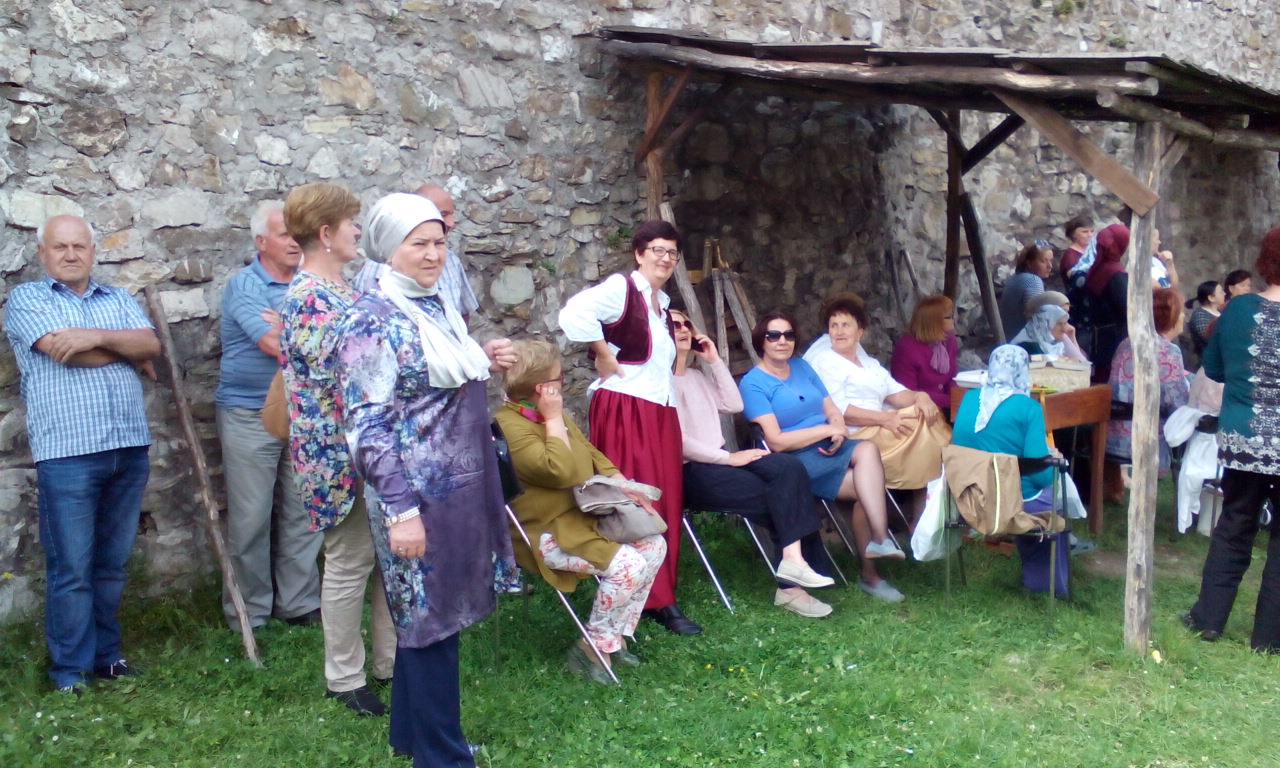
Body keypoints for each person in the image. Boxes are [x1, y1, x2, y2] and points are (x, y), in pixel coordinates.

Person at [335, 193, 518, 767]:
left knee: (431, 620)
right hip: (416, 496)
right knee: (429, 620)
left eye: (439, 242)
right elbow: (367, 427)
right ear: (389, 248)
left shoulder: (431, 305)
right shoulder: (370, 319)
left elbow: (432, 381)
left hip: (458, 491)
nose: (434, 254)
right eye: (420, 243)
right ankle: (443, 756)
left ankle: (413, 736)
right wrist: (402, 510)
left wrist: (482, 358)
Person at [3, 215, 161, 694]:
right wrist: (123, 348)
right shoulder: (28, 299)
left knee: (111, 566)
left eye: (79, 246)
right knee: (72, 570)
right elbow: (64, 351)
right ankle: (70, 673)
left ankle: (106, 658)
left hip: (127, 447)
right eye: (60, 246)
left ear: (93, 251)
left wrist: (93, 336)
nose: (71, 254)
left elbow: (151, 343)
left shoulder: (117, 298)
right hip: (69, 453)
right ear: (43, 253)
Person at [278, 183, 394, 717]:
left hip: (367, 446)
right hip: (338, 458)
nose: (358, 230)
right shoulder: (309, 298)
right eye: (351, 222)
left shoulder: (342, 289)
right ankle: (343, 678)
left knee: (384, 557)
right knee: (349, 562)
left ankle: (391, 663)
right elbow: (346, 374)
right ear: (325, 233)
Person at [495, 339, 666, 682]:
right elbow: (561, 471)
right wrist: (553, 418)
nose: (562, 382)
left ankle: (613, 639)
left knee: (654, 545)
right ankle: (592, 648)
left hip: (579, 519)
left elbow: (587, 451)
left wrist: (623, 483)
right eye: (558, 378)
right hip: (544, 531)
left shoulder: (545, 414)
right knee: (628, 565)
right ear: (542, 388)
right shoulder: (511, 426)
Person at [557, 220, 695, 635]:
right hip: (625, 407)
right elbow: (574, 314)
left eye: (672, 252)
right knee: (633, 498)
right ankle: (636, 591)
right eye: (657, 250)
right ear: (639, 253)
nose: (665, 259)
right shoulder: (622, 289)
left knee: (664, 497)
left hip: (659, 409)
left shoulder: (662, 304)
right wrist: (603, 352)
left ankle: (659, 593)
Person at [669, 309, 836, 619]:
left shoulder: (696, 376)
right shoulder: (660, 384)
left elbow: (734, 405)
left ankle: (794, 561)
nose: (681, 329)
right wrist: (729, 458)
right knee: (781, 498)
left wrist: (714, 361)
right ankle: (791, 587)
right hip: (691, 471)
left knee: (787, 468)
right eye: (672, 324)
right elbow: (679, 442)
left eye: (685, 324)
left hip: (720, 460)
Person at [740, 311, 907, 604]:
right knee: (867, 489)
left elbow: (831, 408)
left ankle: (880, 542)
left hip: (831, 444)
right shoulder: (753, 383)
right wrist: (826, 430)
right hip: (796, 459)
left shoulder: (802, 366)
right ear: (761, 341)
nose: (782, 341)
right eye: (773, 336)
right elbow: (776, 441)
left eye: (789, 335)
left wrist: (839, 429)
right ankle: (872, 571)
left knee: (867, 452)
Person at [216, 200, 322, 630]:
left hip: (304, 410)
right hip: (250, 413)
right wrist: (306, 333)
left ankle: (299, 603)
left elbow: (335, 338)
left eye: (298, 232)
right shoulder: (244, 286)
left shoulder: (312, 282)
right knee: (251, 518)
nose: (295, 241)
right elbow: (272, 345)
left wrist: (288, 326)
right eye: (284, 234)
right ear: (261, 242)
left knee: (303, 512)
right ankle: (250, 611)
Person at [1183, 226, 1280, 652]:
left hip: (1244, 438)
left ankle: (1209, 619)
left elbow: (1216, 369)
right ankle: (1270, 638)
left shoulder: (1238, 310)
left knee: (1235, 524)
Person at [804, 294, 951, 506]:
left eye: (846, 325)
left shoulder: (869, 364)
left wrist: (921, 396)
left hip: (881, 428)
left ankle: (928, 501)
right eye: (834, 326)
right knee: (929, 436)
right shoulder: (825, 362)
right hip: (855, 434)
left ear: (860, 332)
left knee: (924, 416)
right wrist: (884, 419)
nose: (839, 331)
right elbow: (839, 410)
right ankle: (927, 505)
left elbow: (897, 394)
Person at [952, 345, 1067, 596]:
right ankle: (1043, 581)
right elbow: (1041, 475)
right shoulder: (1028, 408)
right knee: (1053, 494)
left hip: (968, 499)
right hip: (1011, 503)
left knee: (1022, 485)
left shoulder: (969, 399)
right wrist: (1053, 459)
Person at [1105, 287, 1191, 502]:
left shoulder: (1127, 343)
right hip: (1145, 437)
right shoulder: (1169, 351)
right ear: (1172, 316)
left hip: (1113, 434)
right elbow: (1178, 402)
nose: (1184, 317)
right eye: (1182, 312)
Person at [351, 183, 479, 321]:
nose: (451, 223)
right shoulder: (381, 266)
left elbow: (463, 312)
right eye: (443, 214)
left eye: (438, 243)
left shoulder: (452, 261)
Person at [890, 294, 958, 415]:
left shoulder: (949, 340)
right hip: (920, 410)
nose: (954, 320)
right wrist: (951, 401)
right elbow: (907, 392)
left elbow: (952, 377)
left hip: (946, 405)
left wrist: (957, 401)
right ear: (933, 322)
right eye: (949, 317)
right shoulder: (907, 349)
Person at [1083, 222, 1131, 383]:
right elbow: (1128, 309)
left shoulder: (1098, 269)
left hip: (1100, 335)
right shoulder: (1116, 275)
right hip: (1117, 338)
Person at [998, 241, 1053, 339]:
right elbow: (1037, 319)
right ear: (1029, 263)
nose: (1050, 266)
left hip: (1010, 337)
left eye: (1051, 261)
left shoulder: (1013, 278)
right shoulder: (1033, 281)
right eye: (1043, 261)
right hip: (1025, 341)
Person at [1010, 304, 1089, 363]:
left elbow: (1083, 364)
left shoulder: (1057, 346)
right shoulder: (1028, 346)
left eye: (1065, 324)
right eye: (1059, 324)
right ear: (1045, 325)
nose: (1064, 329)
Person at [1185, 280, 1224, 361]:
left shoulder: (1221, 312)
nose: (1224, 294)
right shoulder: (1200, 315)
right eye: (1221, 292)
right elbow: (1211, 339)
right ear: (1211, 298)